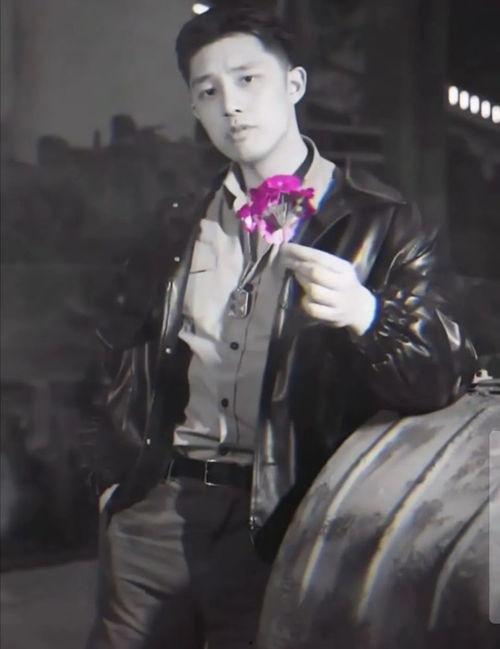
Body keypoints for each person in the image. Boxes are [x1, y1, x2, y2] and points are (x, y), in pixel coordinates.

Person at [84, 6, 477, 649]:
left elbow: (443, 379)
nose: (231, 105)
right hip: (157, 512)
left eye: (248, 80)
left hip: (284, 520)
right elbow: (116, 350)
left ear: (294, 84)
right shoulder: (177, 223)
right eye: (208, 91)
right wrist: (112, 481)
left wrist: (367, 314)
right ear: (195, 108)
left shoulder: (383, 225)